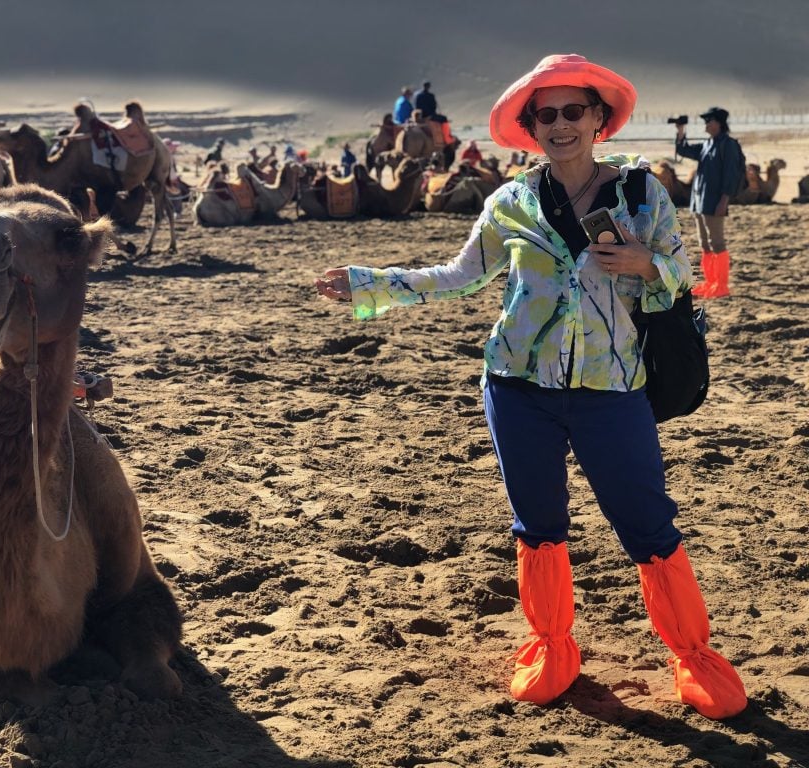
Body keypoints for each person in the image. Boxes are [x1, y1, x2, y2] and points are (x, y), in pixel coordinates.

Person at [315, 53, 747, 721]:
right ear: (531, 126)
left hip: (614, 389)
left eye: (575, 110)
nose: (561, 124)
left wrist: (644, 263)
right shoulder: (510, 202)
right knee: (539, 526)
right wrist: (368, 282)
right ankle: (552, 647)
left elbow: (686, 278)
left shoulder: (640, 194)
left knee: (647, 524)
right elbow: (458, 276)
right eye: (546, 114)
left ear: (599, 118)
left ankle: (694, 657)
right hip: (517, 387)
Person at [675, 107, 744, 298]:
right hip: (699, 200)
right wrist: (680, 131)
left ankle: (721, 285)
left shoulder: (728, 145)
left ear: (719, 123)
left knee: (717, 242)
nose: (706, 124)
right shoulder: (708, 144)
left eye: (709, 121)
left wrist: (725, 200)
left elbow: (731, 173)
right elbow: (684, 150)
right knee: (704, 242)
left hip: (715, 201)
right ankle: (710, 282)